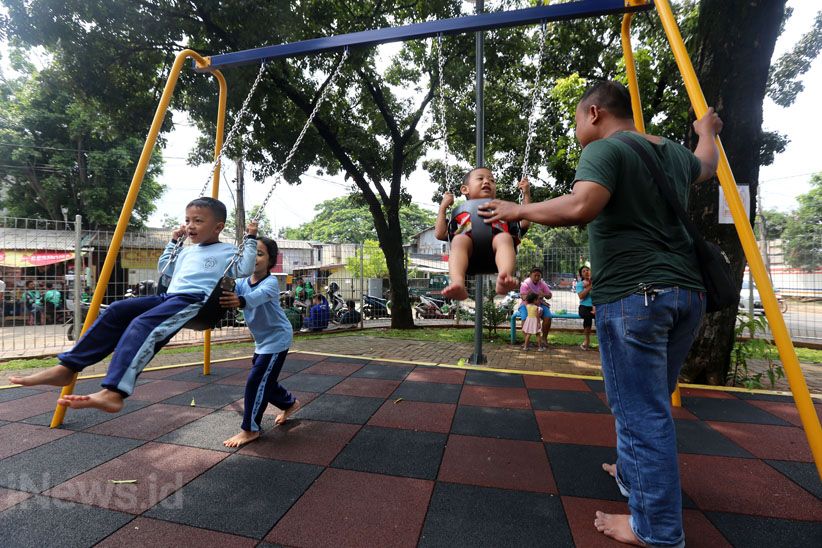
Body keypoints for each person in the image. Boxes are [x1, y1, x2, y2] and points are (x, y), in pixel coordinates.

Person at [478, 80, 722, 547]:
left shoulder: (604, 149)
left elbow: (582, 205)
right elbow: (707, 165)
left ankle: (656, 529)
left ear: (593, 113)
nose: (575, 129)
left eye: (575, 119)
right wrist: (704, 128)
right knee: (648, 401)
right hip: (687, 294)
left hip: (635, 296)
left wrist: (516, 206)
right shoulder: (669, 150)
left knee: (640, 411)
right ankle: (633, 473)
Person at [10, 197, 258, 413]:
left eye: (198, 221)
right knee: (118, 309)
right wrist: (174, 243)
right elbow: (165, 267)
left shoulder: (228, 251)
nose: (191, 226)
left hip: (194, 300)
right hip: (169, 297)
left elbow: (245, 267)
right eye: (188, 220)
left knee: (143, 325)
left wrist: (250, 238)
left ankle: (114, 392)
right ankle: (68, 366)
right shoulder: (187, 251)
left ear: (218, 227)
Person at [219, 237, 300, 448]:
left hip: (277, 338)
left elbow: (256, 297)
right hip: (262, 341)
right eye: (251, 253)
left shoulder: (271, 283)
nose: (254, 257)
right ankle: (289, 403)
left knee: (256, 381)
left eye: (260, 254)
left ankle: (250, 429)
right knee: (266, 380)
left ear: (270, 260)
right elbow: (227, 287)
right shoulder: (241, 282)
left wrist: (240, 301)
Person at [435, 168, 532, 300]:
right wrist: (443, 207)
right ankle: (458, 282)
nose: (487, 181)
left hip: (496, 250)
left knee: (504, 237)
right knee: (458, 240)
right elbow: (440, 234)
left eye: (491, 180)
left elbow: (524, 223)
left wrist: (526, 194)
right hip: (468, 253)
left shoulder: (503, 210)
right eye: (480, 178)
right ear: (465, 189)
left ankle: (504, 276)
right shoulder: (462, 214)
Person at [519, 267, 552, 344]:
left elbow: (549, 295)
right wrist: (534, 295)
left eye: (539, 276)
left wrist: (543, 294)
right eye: (535, 275)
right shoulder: (525, 284)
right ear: (530, 275)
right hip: (527, 305)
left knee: (548, 317)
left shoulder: (542, 284)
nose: (537, 277)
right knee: (524, 319)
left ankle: (544, 339)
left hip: (540, 304)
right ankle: (527, 341)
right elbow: (523, 298)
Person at [576, 266, 594, 350]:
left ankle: (603, 341)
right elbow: (581, 296)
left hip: (596, 306)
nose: (586, 272)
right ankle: (587, 340)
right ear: (581, 275)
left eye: (588, 270)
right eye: (583, 271)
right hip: (584, 306)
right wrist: (590, 286)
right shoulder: (580, 284)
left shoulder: (597, 282)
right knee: (587, 317)